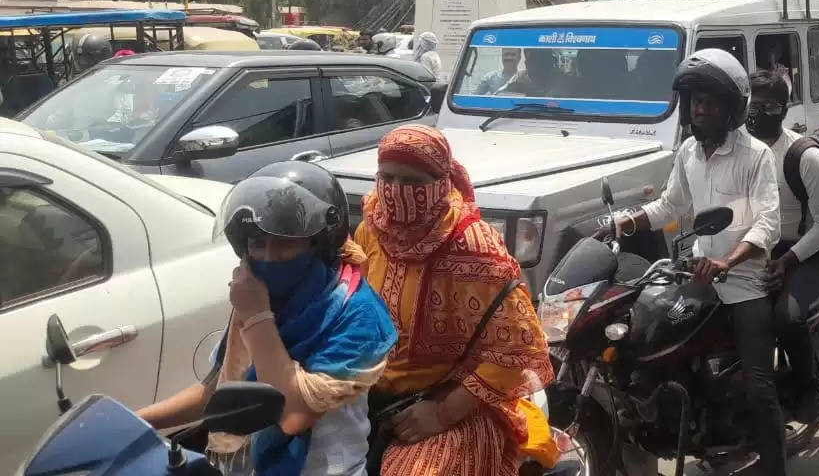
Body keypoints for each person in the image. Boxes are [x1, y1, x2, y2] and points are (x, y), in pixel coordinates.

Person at [138, 161, 398, 476]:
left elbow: (293, 415)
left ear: (319, 242)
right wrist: (135, 422)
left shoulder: (355, 314)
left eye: (286, 242)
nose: (269, 257)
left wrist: (258, 317)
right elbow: (219, 394)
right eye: (258, 244)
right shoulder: (262, 299)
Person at [608, 49, 787, 475]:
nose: (701, 110)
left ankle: (777, 467)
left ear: (731, 108)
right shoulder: (689, 150)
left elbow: (768, 224)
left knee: (761, 388)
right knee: (650, 341)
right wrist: (619, 224)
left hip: (744, 284)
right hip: (697, 277)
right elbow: (670, 206)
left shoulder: (756, 155)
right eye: (696, 102)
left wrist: (729, 260)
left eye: (710, 102)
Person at [353, 125, 557, 476]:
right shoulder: (371, 226)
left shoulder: (474, 246)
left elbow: (517, 345)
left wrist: (444, 412)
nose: (397, 191)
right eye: (388, 177)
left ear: (441, 181)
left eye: (413, 182)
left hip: (453, 401)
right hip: (366, 395)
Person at [747, 69, 819, 424]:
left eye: (764, 106)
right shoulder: (741, 153)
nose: (754, 113)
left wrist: (785, 261)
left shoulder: (805, 157)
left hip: (805, 250)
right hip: (758, 246)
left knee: (786, 316)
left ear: (781, 109)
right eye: (750, 105)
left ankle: (808, 387)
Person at [499, 49, 565, 97]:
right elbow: (498, 94)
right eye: (527, 59)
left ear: (549, 62)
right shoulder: (521, 76)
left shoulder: (562, 80)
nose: (526, 63)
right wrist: (514, 89)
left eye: (533, 59)